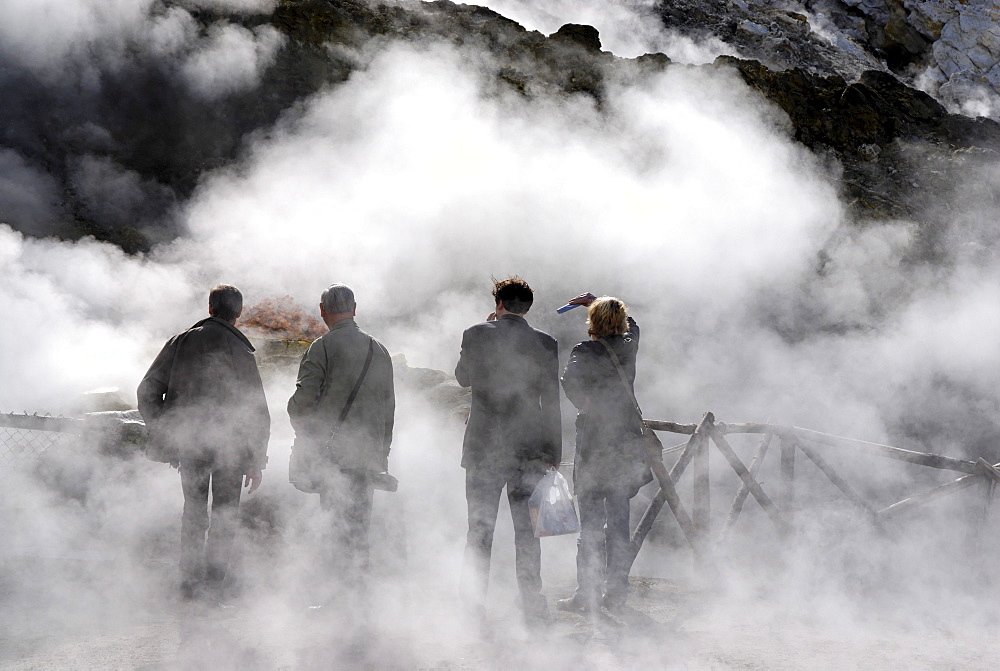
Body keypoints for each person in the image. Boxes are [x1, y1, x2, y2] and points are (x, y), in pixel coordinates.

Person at [137, 284, 270, 602]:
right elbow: (257, 412)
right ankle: (215, 585)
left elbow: (146, 391)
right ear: (237, 313)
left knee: (194, 512)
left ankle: (189, 583)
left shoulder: (181, 341)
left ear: (210, 308)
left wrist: (168, 430)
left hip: (191, 444)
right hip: (232, 450)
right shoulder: (241, 351)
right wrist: (255, 459)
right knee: (225, 514)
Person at [455, 277, 562, 625]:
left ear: (498, 304)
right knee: (528, 533)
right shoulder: (546, 343)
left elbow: (462, 379)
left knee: (479, 530)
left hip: (484, 448)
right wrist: (554, 450)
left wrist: (483, 331)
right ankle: (531, 601)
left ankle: (472, 605)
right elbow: (552, 403)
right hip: (529, 449)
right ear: (527, 307)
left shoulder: (476, 334)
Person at [287, 283, 395, 609]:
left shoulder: (321, 347)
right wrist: (382, 451)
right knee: (359, 531)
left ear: (322, 311)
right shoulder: (379, 350)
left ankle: (336, 604)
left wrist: (300, 429)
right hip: (366, 457)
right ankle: (358, 603)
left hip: (330, 458)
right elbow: (388, 408)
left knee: (334, 528)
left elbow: (302, 402)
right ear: (355, 308)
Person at [559, 292, 652, 614]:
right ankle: (616, 593)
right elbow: (635, 326)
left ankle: (586, 592)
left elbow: (568, 380)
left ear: (593, 323)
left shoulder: (585, 350)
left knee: (590, 524)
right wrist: (598, 300)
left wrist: (584, 404)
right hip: (624, 442)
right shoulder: (629, 345)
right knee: (619, 522)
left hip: (594, 443)